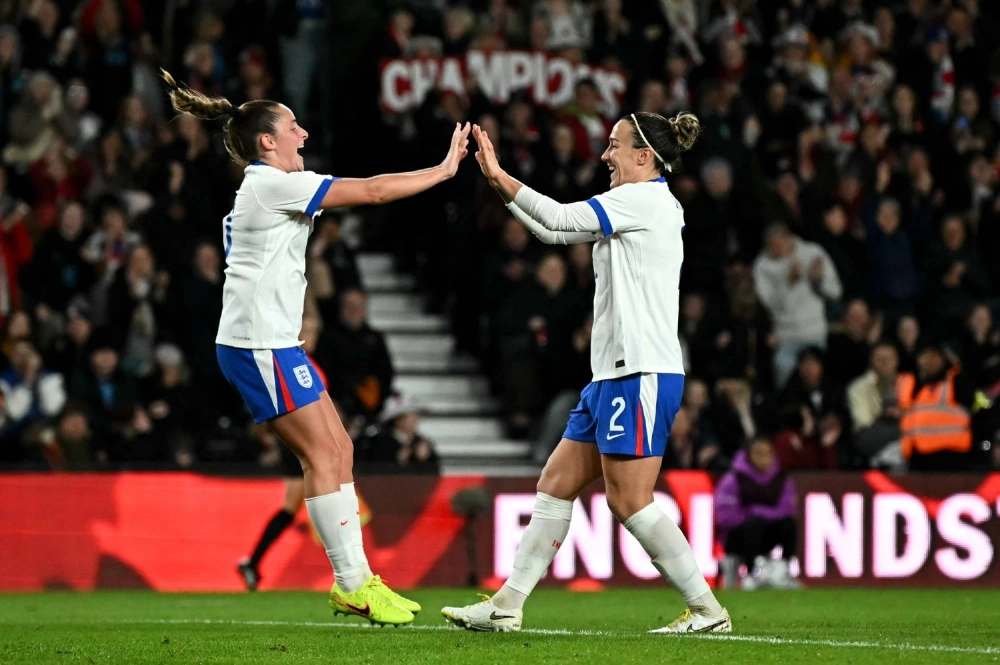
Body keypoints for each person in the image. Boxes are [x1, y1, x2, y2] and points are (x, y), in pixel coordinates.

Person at [161, 69, 470, 626]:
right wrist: (444, 170)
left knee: (340, 450)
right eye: (293, 127)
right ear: (267, 142)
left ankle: (361, 579)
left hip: (274, 342)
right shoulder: (272, 183)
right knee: (322, 456)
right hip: (258, 345)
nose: (303, 134)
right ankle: (352, 584)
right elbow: (373, 190)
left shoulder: (266, 188)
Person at [442, 112, 730, 633]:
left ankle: (708, 609)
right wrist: (502, 188)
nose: (604, 156)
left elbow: (556, 220)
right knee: (554, 483)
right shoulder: (640, 203)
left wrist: (500, 177)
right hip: (613, 375)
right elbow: (554, 233)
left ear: (644, 156)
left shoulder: (642, 200)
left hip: (640, 370)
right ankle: (507, 605)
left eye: (614, 145)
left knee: (628, 500)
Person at [238, 316, 328, 590]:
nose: (311, 336)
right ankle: (347, 569)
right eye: (307, 330)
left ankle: (253, 562)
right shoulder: (291, 361)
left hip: (308, 441)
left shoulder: (304, 361)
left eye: (314, 331)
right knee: (325, 500)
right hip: (302, 442)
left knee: (295, 509)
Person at [715, 436, 798, 591]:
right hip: (737, 538)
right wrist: (754, 517)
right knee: (755, 524)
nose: (763, 458)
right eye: (758, 453)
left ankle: (782, 570)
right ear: (748, 455)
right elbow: (725, 517)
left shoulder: (782, 479)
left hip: (767, 535)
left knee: (789, 525)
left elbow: (787, 510)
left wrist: (756, 511)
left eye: (768, 453)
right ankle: (753, 573)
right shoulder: (733, 479)